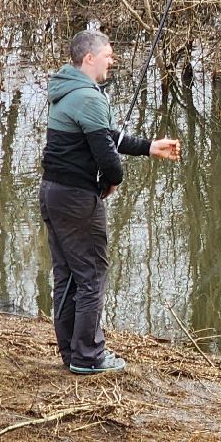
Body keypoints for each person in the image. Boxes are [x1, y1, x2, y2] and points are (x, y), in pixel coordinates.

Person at [40, 28, 182, 374]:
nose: (112, 60)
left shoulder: (66, 90)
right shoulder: (89, 97)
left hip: (53, 192)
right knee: (91, 273)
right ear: (89, 58)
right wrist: (112, 181)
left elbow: (105, 136)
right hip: (77, 199)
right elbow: (108, 158)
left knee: (67, 275)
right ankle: (88, 357)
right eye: (108, 55)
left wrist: (149, 147)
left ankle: (72, 352)